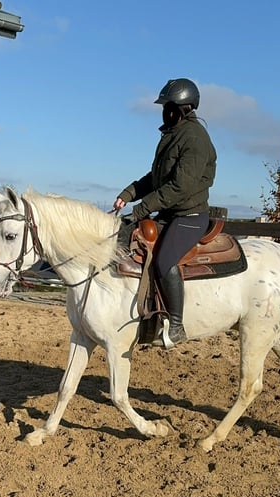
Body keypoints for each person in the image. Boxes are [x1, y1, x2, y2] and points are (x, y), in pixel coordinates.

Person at [113, 78, 217, 348]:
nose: (164, 112)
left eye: (168, 107)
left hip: (189, 217)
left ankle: (178, 325)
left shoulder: (194, 139)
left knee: (164, 261)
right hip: (170, 213)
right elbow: (156, 178)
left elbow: (180, 187)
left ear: (184, 108)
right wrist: (127, 195)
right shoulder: (172, 135)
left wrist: (143, 209)